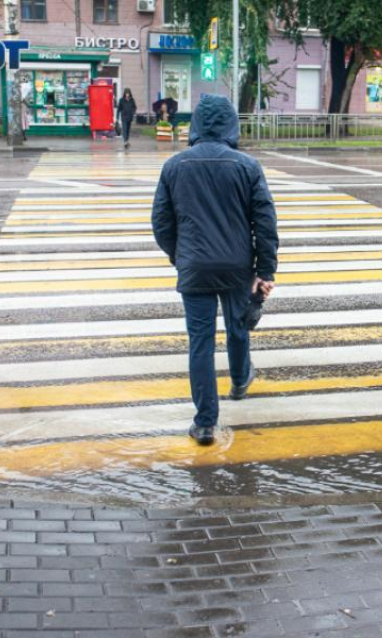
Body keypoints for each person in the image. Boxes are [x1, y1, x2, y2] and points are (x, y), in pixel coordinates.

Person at [151, 94, 279, 446]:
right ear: (230, 125)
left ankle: (205, 423)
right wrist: (264, 271)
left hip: (195, 267)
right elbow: (264, 223)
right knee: (238, 326)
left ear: (194, 125)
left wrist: (181, 256)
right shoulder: (247, 166)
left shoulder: (174, 166)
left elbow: (161, 223)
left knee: (201, 343)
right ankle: (239, 381)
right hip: (237, 266)